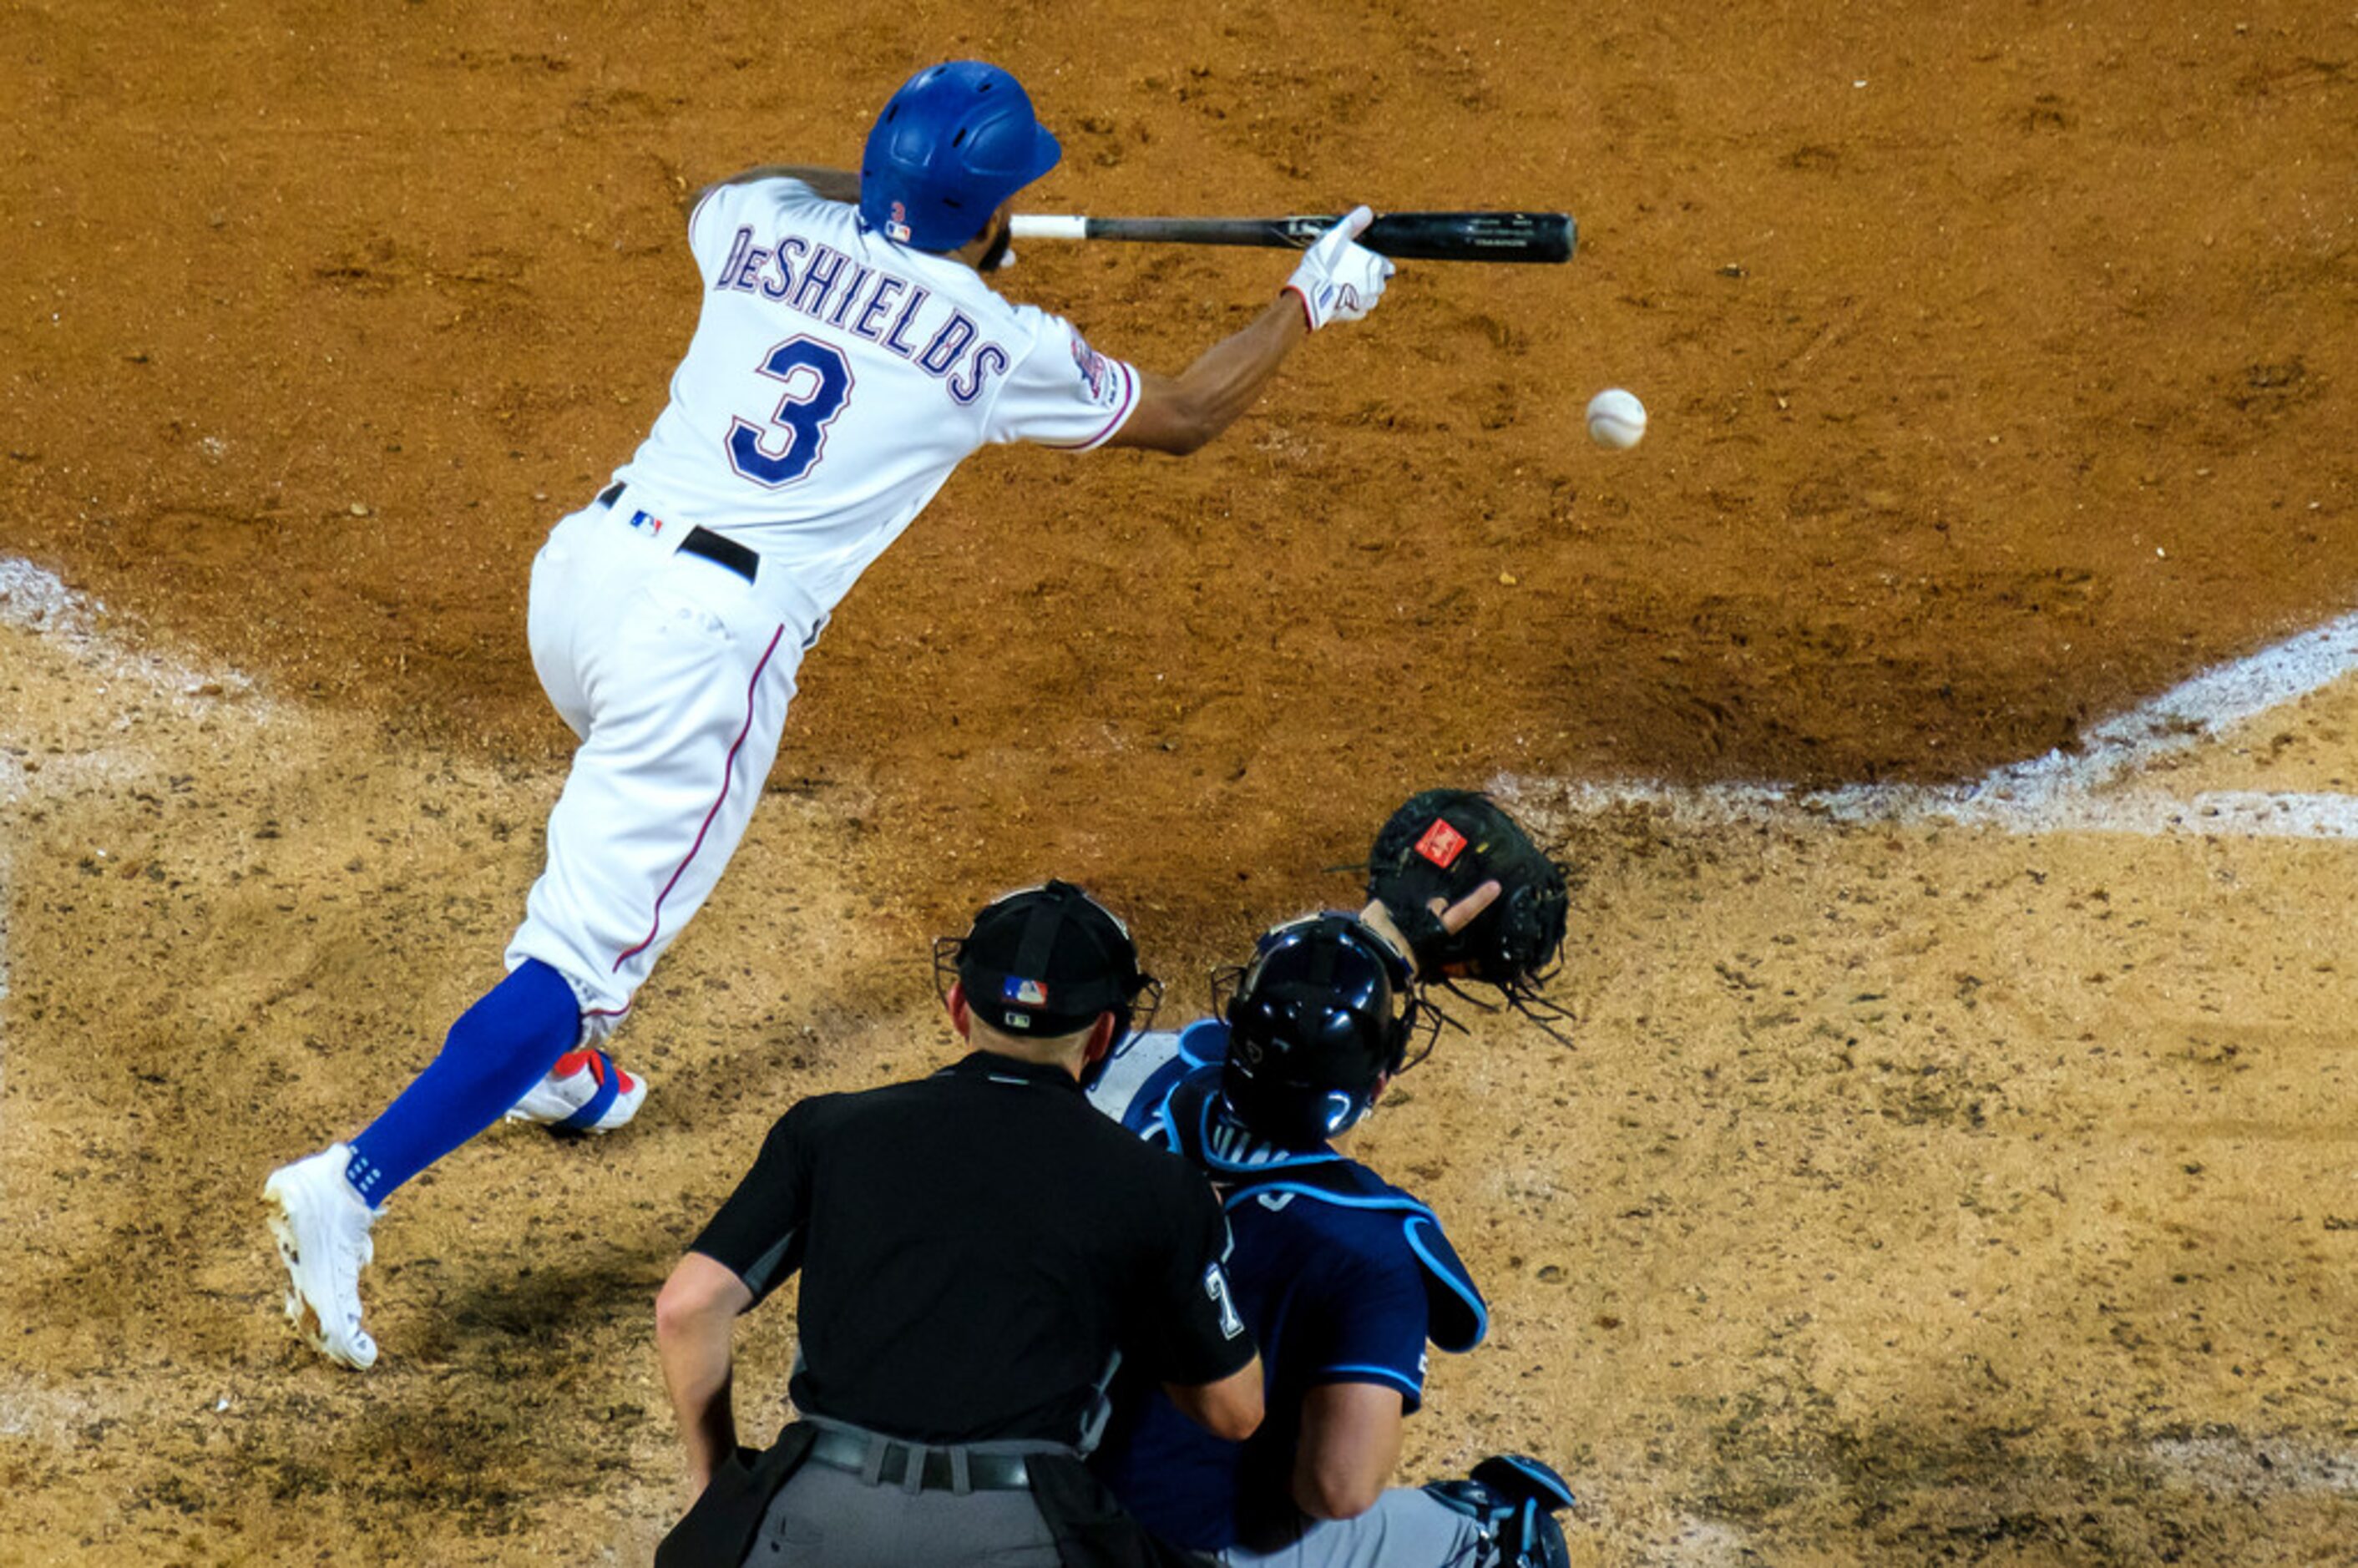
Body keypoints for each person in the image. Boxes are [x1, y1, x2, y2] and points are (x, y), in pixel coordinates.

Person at [261, 58, 1399, 1370]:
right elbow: (1190, 412)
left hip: (582, 582)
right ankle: (350, 1184)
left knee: (614, 816)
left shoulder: (754, 225)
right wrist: (1312, 299)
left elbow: (747, 188)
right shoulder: (995, 344)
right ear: (988, 206)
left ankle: (557, 1074)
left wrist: (912, 215)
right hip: (702, 647)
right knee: (580, 959)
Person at [651, 880, 1263, 1567]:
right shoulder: (1158, 1186)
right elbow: (1234, 1413)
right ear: (1104, 1036)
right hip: (1023, 1527)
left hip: (808, 1522)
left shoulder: (827, 1130)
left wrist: (719, 1492)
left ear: (957, 1006)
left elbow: (686, 1307)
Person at [1085, 909, 1576, 1568]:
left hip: (1033, 1500)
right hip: (1170, 1551)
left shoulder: (1145, 1093)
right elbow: (1338, 1490)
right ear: (1375, 1085)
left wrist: (1387, 928)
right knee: (1503, 1537)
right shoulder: (1370, 1244)